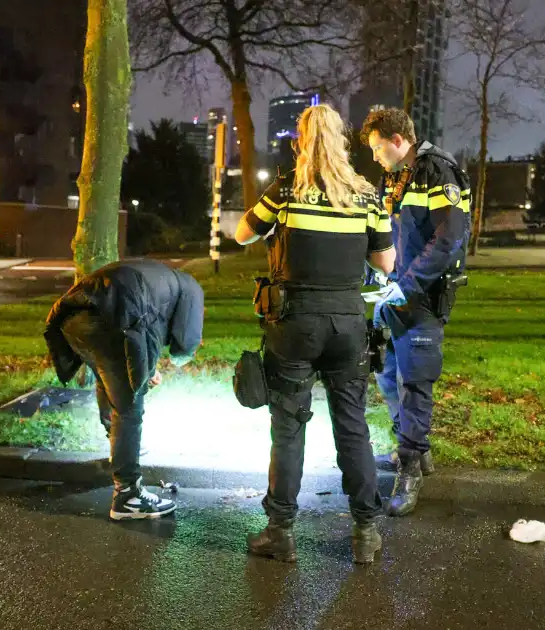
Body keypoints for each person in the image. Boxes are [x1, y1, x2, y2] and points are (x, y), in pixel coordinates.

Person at [234, 103, 396, 564]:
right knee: (352, 427)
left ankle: (280, 532)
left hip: (294, 323)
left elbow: (244, 233)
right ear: (343, 140)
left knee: (288, 429)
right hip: (347, 323)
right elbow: (386, 263)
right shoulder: (367, 195)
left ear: (301, 141)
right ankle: (366, 532)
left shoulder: (286, 190)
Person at [361, 107, 471, 517]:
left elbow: (448, 240)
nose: (374, 157)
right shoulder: (397, 176)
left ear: (396, 140)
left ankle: (411, 469)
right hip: (394, 293)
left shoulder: (438, 172)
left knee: (415, 382)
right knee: (387, 374)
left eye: (376, 148)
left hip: (421, 296)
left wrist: (405, 287)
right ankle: (411, 450)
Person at [43, 258, 204, 521]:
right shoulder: (192, 289)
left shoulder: (161, 276)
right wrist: (160, 365)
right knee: (129, 403)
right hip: (111, 319)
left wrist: (150, 369)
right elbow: (185, 345)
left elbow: (143, 317)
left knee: (108, 379)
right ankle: (128, 496)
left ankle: (120, 446)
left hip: (72, 318)